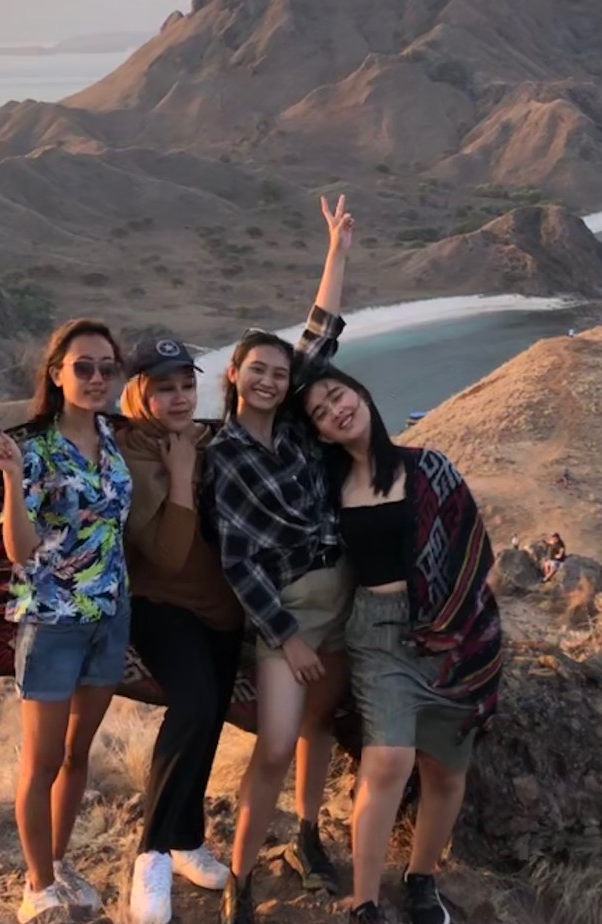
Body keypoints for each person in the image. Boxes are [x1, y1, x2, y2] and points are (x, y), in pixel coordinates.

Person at [296, 366, 504, 924]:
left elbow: (473, 551)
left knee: (445, 771)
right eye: (321, 412)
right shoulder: (329, 489)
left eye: (338, 395)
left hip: (450, 635)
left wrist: (458, 626)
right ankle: (364, 900)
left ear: (360, 394)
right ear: (319, 433)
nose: (336, 409)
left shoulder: (429, 466)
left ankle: (421, 880)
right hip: (378, 633)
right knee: (387, 758)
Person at [209, 195, 355, 924]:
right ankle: (238, 873)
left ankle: (305, 832)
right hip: (286, 610)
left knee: (321, 726)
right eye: (256, 370)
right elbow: (238, 561)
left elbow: (319, 338)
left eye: (276, 371)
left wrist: (334, 252)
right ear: (233, 376)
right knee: (272, 742)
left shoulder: (298, 426)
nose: (269, 379)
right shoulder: (222, 456)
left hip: (343, 596)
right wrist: (287, 636)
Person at [0, 319, 134, 923]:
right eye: (84, 367)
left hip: (110, 615)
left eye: (106, 367)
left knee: (79, 755)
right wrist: (11, 479)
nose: (97, 378)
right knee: (41, 763)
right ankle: (38, 883)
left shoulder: (112, 438)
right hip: (51, 621)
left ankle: (60, 859)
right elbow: (20, 550)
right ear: (56, 374)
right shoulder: (37, 448)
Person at [118, 333, 244, 924]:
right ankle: (151, 856)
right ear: (139, 393)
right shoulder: (136, 454)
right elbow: (166, 554)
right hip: (163, 603)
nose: (179, 397)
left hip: (220, 608)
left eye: (187, 385)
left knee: (211, 717)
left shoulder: (200, 437)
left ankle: (188, 839)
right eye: (164, 387)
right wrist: (184, 474)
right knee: (192, 707)